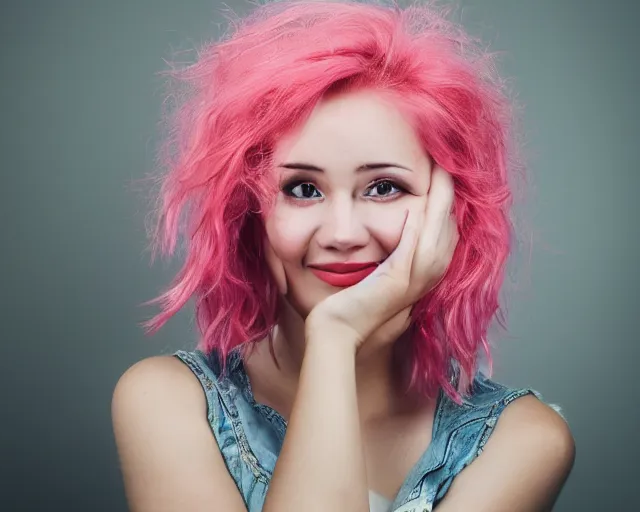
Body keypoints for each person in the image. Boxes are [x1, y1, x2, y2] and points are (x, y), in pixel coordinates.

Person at [112, 1, 575, 511]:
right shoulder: (171, 403)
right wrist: (335, 343)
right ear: (251, 210)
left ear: (450, 210)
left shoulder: (522, 440)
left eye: (383, 187)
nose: (342, 233)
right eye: (303, 189)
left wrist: (335, 336)